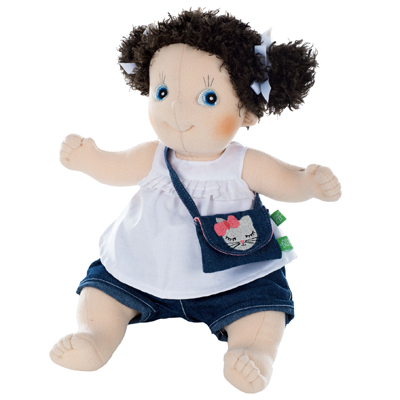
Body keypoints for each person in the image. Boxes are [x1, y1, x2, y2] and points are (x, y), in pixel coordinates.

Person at [50, 9, 341, 394]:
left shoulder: (243, 163)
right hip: (142, 268)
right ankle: (96, 336)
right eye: (163, 93)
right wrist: (90, 160)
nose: (176, 110)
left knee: (264, 306)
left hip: (235, 278)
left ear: (246, 110)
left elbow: (286, 181)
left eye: (208, 97)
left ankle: (253, 352)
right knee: (103, 288)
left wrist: (308, 183)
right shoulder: (153, 156)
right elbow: (114, 167)